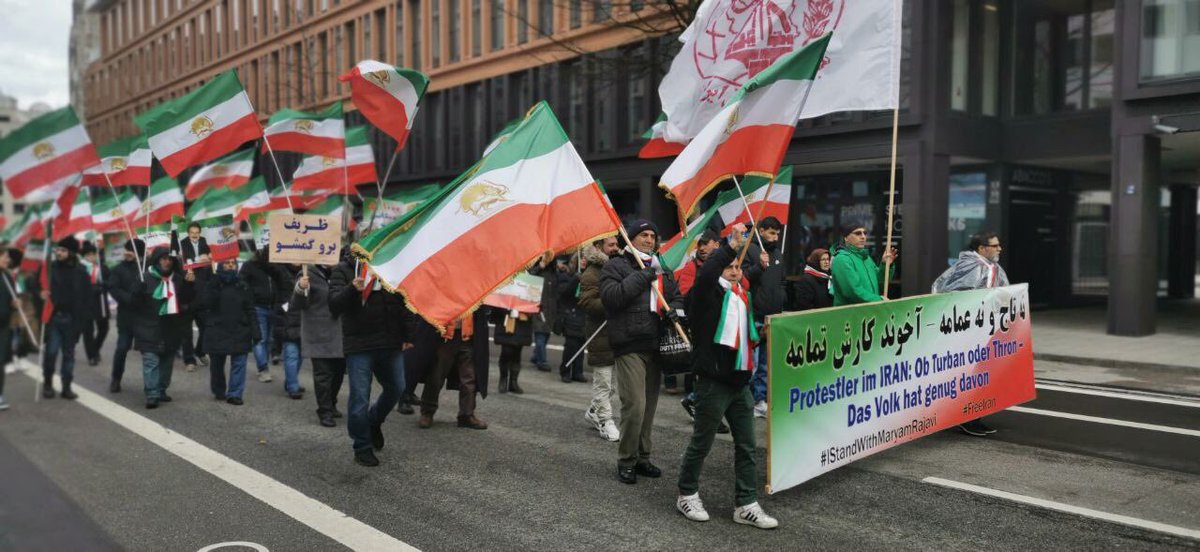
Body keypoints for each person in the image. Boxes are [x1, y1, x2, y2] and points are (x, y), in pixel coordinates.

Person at [674, 223, 778, 529]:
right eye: (729, 267)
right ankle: (687, 493)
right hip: (712, 383)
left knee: (747, 445)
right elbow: (707, 274)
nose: (734, 271)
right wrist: (730, 247)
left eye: (738, 267)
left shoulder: (740, 295)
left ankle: (746, 504)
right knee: (702, 443)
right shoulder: (705, 293)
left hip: (739, 382)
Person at [600, 219, 684, 485]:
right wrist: (645, 274)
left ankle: (642, 458)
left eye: (653, 235)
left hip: (656, 344)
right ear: (631, 238)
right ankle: (626, 459)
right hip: (630, 344)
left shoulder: (662, 267)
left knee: (648, 408)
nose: (650, 239)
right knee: (634, 405)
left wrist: (676, 311)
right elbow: (612, 298)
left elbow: (677, 296)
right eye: (644, 235)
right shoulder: (616, 265)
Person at [329, 255, 412, 467]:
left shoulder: (390, 264)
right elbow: (334, 304)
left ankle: (374, 421)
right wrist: (351, 289)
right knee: (359, 398)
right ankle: (362, 445)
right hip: (359, 345)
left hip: (389, 341)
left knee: (397, 388)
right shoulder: (343, 269)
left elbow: (404, 301)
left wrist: (408, 335)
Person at [932, 231, 1008, 437]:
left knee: (980, 375)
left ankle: (971, 415)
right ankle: (967, 418)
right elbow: (953, 294)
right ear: (982, 249)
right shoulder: (973, 267)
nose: (999, 248)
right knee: (970, 375)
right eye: (995, 245)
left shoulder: (991, 267)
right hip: (969, 332)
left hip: (984, 330)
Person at [133, 247, 196, 409]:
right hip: (148, 327)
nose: (167, 262)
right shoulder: (144, 278)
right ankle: (152, 394)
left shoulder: (178, 279)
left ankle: (161, 389)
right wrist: (137, 292)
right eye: (163, 258)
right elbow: (133, 304)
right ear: (156, 260)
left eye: (170, 259)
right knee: (151, 361)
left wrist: (190, 285)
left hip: (171, 327)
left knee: (167, 362)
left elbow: (187, 302)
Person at [33, 238, 93, 400]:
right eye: (57, 250)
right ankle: (47, 384)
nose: (59, 253)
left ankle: (66, 387)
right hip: (54, 318)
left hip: (72, 320)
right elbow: (34, 284)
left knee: (69, 355)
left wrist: (82, 322)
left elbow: (88, 298)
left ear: (71, 253)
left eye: (63, 250)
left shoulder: (80, 272)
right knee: (51, 352)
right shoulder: (49, 269)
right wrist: (40, 293)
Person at [742, 217, 786, 419]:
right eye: (771, 233)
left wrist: (782, 299)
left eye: (777, 233)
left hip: (772, 316)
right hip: (755, 315)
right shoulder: (750, 250)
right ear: (761, 231)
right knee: (752, 363)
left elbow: (781, 281)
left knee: (765, 365)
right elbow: (741, 278)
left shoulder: (778, 253)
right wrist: (759, 266)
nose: (775, 237)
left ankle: (760, 401)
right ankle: (747, 402)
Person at [666, 229, 720, 395]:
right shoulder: (691, 267)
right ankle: (692, 396)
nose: (701, 248)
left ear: (716, 244)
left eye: (705, 244)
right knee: (695, 359)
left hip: (717, 321)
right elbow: (685, 292)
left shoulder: (725, 265)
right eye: (699, 245)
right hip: (697, 321)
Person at [578, 238, 620, 442]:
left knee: (612, 385)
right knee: (603, 382)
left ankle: (594, 411)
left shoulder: (619, 267)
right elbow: (588, 303)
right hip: (600, 335)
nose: (616, 248)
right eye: (611, 245)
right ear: (598, 247)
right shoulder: (591, 273)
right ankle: (605, 422)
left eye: (616, 244)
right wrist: (615, 299)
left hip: (618, 334)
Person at [419, 307, 489, 430]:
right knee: (436, 375)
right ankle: (427, 412)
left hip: (467, 335)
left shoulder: (474, 288)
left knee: (469, 378)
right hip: (446, 335)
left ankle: (466, 414)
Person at [201, 258, 259, 405]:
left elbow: (250, 308)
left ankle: (235, 393)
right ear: (220, 265)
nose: (230, 265)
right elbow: (204, 304)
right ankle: (219, 390)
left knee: (239, 362)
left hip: (239, 329)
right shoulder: (213, 284)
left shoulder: (243, 285)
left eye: (233, 263)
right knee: (217, 364)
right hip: (217, 330)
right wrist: (213, 285)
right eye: (227, 263)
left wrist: (255, 329)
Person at [294, 264, 346, 427]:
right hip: (318, 332)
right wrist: (301, 288)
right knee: (323, 375)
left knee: (338, 372)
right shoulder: (307, 273)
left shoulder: (341, 272)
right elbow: (297, 303)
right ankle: (324, 411)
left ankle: (331, 403)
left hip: (340, 333)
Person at [241, 248, 284, 383]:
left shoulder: (276, 266)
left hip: (274, 306)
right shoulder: (249, 265)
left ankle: (263, 363)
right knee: (260, 339)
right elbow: (242, 282)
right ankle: (263, 368)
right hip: (258, 307)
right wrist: (251, 296)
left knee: (270, 339)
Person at [106, 239, 144, 393]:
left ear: (139, 254)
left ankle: (153, 386)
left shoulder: (146, 268)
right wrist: (127, 298)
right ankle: (116, 379)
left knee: (149, 353)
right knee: (122, 348)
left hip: (144, 318)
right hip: (126, 317)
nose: (128, 252)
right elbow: (113, 288)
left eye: (132, 250)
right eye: (127, 249)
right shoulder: (118, 269)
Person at [830, 223, 898, 306]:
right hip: (850, 316)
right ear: (846, 238)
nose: (863, 237)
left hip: (868, 313)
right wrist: (879, 300)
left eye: (864, 233)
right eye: (858, 233)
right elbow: (852, 292)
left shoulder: (866, 258)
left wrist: (885, 265)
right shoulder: (841, 259)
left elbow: (880, 282)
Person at [180, 222, 211, 369]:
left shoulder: (206, 244)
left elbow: (211, 265)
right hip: (187, 295)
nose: (194, 235)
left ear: (200, 233)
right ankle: (189, 360)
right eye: (192, 232)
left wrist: (210, 260)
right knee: (186, 332)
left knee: (207, 327)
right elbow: (176, 266)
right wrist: (185, 274)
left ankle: (200, 351)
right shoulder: (181, 245)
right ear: (188, 233)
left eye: (197, 232)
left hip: (203, 294)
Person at [273, 265, 305, 399]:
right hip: (288, 319)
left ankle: (291, 381)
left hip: (304, 320)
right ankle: (292, 387)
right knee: (291, 355)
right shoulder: (280, 271)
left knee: (300, 357)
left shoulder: (310, 272)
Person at [555, 255, 587, 383]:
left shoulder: (589, 275)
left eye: (587, 258)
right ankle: (566, 370)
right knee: (571, 346)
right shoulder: (566, 276)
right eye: (582, 258)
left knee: (581, 346)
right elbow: (563, 293)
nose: (584, 260)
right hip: (571, 315)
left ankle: (577, 372)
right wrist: (575, 279)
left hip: (584, 315)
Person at [79, 241, 111, 367]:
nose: (92, 257)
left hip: (100, 303)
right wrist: (95, 288)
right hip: (86, 303)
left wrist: (105, 285)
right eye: (89, 254)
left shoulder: (102, 268)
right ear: (85, 256)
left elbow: (110, 281)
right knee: (88, 331)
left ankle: (95, 348)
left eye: (93, 254)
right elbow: (80, 286)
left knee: (104, 328)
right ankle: (91, 355)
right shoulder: (80, 268)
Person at [0, 248, 22, 411]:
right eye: (4, 257)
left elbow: (12, 298)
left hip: (3, 326)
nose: (7, 260)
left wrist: (15, 304)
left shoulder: (6, 276)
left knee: (0, 361)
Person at [493, 306, 532, 394]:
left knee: (517, 353)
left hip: (522, 320)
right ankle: (503, 379)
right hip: (506, 319)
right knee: (506, 351)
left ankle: (513, 382)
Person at [529, 259, 556, 372]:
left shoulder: (554, 273)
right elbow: (528, 276)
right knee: (540, 335)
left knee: (545, 335)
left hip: (551, 309)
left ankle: (536, 356)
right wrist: (539, 267)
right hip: (538, 307)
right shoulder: (537, 270)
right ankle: (542, 361)